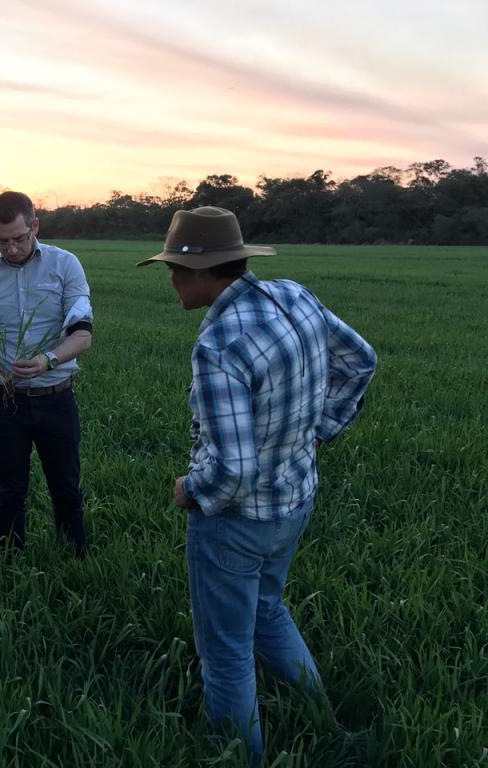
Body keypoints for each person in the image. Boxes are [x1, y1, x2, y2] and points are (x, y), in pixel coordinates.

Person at [138, 206, 377, 764]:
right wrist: (318, 431)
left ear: (205, 271)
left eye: (174, 267)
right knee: (268, 608)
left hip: (236, 524)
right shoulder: (293, 296)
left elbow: (231, 471)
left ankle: (237, 757)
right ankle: (321, 720)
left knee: (224, 654)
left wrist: (189, 490)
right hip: (295, 499)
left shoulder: (219, 345)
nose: (170, 277)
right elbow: (361, 361)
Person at [0, 190, 93, 556]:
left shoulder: (66, 266)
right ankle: (7, 562)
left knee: (66, 487)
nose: (11, 249)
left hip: (55, 396)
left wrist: (47, 360)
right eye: (1, 241)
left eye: (19, 239)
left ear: (35, 226)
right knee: (10, 489)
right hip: (6, 402)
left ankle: (74, 559)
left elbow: (83, 335)